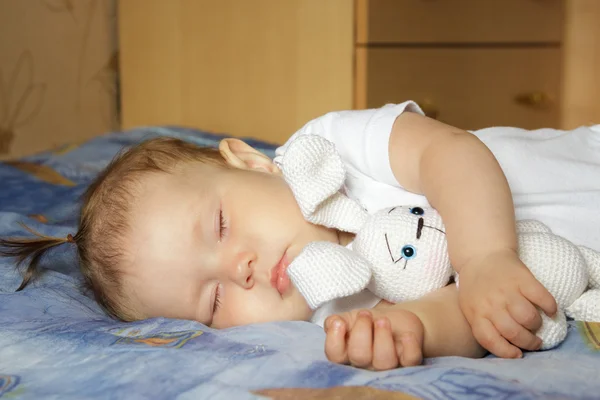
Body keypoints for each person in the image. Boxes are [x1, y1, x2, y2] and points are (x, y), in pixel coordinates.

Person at [2, 101, 599, 371]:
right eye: (213, 302)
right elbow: (474, 315)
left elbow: (451, 154)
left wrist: (485, 256)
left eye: (220, 226)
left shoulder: (328, 148)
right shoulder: (323, 316)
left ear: (250, 163)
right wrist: (414, 328)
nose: (240, 270)